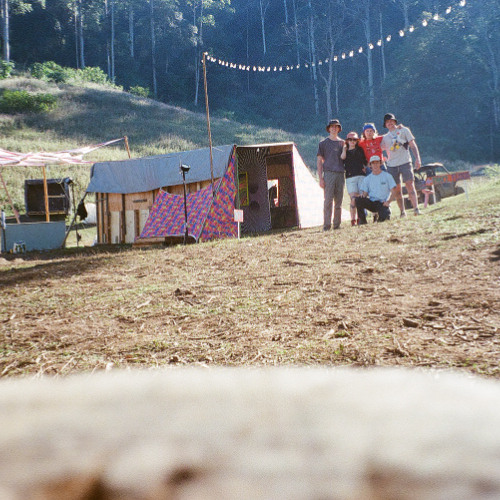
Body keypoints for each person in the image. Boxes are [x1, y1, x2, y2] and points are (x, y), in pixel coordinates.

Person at [381, 113, 422, 216]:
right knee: (397, 190)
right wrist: (381, 159)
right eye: (387, 122)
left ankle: (416, 209)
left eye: (391, 121)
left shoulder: (404, 130)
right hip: (392, 165)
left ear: (395, 121)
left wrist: (417, 158)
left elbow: (413, 145)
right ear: (385, 125)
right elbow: (378, 149)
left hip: (405, 162)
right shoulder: (384, 138)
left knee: (410, 185)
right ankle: (402, 212)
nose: (390, 123)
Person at [317, 119, 345, 231]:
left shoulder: (343, 143)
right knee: (328, 201)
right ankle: (326, 225)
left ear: (339, 129)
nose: (334, 128)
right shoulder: (323, 143)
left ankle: (337, 225)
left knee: (339, 201)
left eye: (336, 126)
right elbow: (319, 161)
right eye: (332, 126)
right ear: (328, 129)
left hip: (340, 174)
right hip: (328, 174)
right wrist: (320, 178)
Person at [355, 155, 398, 224]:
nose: (375, 165)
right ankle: (362, 221)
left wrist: (388, 202)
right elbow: (365, 194)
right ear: (370, 165)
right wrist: (362, 196)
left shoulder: (387, 176)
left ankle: (381, 215)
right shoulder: (367, 179)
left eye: (377, 163)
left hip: (382, 203)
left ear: (380, 163)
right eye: (373, 163)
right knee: (358, 200)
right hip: (372, 202)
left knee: (384, 219)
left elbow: (394, 191)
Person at [340, 131, 367, 226]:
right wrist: (344, 149)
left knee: (361, 198)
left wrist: (365, 167)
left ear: (357, 141)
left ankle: (361, 218)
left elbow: (365, 160)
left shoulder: (360, 149)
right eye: (350, 139)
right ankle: (352, 219)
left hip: (361, 175)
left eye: (354, 140)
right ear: (347, 141)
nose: (352, 141)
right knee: (353, 199)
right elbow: (342, 158)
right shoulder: (345, 150)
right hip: (350, 177)